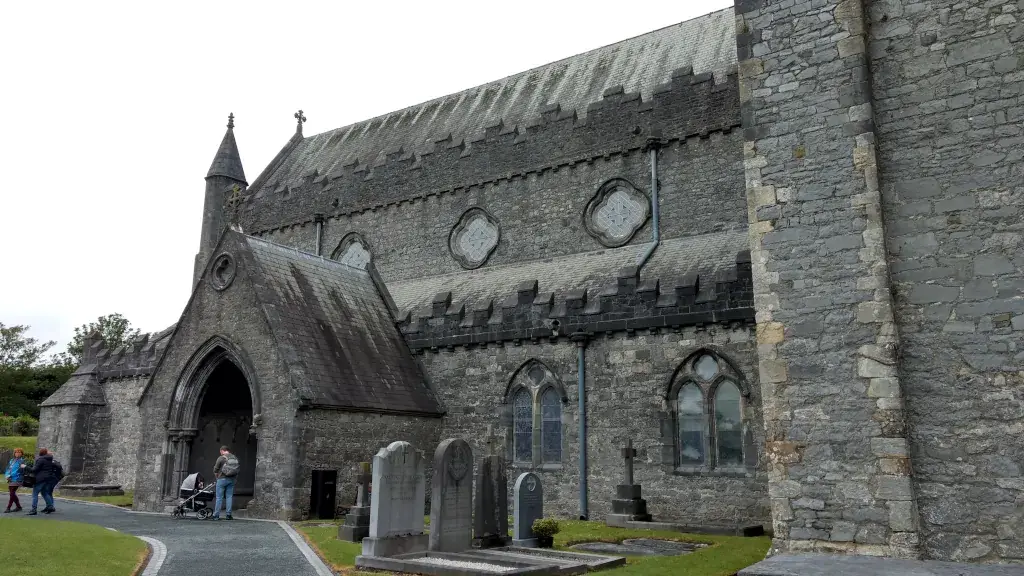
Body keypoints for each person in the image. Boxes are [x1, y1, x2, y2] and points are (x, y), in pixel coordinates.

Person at [211, 446, 240, 520]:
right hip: (232, 479)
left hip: (222, 479)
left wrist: (217, 477)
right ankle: (228, 515)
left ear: (222, 451)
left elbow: (215, 469)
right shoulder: (235, 458)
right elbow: (237, 469)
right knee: (229, 497)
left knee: (219, 498)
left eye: (220, 451)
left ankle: (216, 515)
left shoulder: (221, 458)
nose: (220, 453)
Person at [28, 448, 57, 515]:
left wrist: (25, 467)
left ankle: (33, 509)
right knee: (45, 493)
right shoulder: (49, 459)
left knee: (35, 494)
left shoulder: (41, 460)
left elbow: (34, 469)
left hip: (40, 479)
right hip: (47, 478)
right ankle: (50, 506)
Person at [4, 448, 26, 513]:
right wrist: (7, 475)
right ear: (14, 453)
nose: (18, 453)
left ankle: (8, 507)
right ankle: (19, 507)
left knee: (12, 493)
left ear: (22, 454)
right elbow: (8, 469)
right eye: (16, 452)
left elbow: (20, 471)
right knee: (12, 493)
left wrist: (11, 475)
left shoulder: (22, 461)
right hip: (11, 479)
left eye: (19, 452)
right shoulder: (12, 460)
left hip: (17, 479)